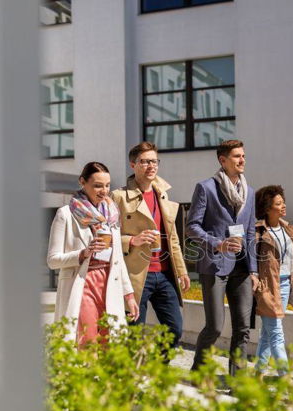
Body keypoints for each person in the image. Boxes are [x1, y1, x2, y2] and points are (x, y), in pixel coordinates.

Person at [186, 139, 259, 374]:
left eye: (244, 156)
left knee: (243, 327)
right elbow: (192, 227)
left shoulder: (250, 192)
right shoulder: (206, 188)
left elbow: (249, 233)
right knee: (215, 326)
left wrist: (254, 270)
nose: (242, 160)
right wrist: (218, 244)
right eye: (237, 156)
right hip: (214, 266)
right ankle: (198, 370)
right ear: (223, 160)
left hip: (242, 268)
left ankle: (237, 379)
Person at [47, 162, 139, 346]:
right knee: (87, 342)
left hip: (109, 284)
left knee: (109, 342)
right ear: (82, 182)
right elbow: (52, 261)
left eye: (107, 185)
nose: (104, 191)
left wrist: (129, 295)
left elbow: (118, 260)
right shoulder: (65, 214)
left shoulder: (112, 214)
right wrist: (83, 253)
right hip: (82, 284)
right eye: (98, 185)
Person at [111, 142, 190, 357]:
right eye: (145, 161)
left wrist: (181, 271)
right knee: (134, 333)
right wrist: (132, 240)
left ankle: (155, 369)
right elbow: (107, 237)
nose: (151, 166)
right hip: (135, 274)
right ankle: (133, 381)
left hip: (164, 274)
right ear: (133, 165)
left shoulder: (162, 194)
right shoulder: (118, 197)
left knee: (174, 330)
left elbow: (172, 237)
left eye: (154, 161)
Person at [254, 185, 293, 376]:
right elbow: (251, 261)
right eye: (278, 203)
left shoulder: (288, 230)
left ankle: (257, 375)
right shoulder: (258, 233)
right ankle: (286, 379)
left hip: (286, 285)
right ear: (268, 208)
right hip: (268, 288)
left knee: (267, 334)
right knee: (276, 333)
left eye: (283, 201)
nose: (283, 205)